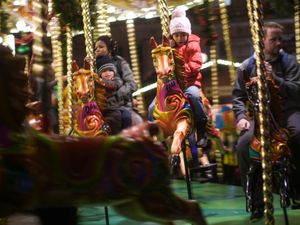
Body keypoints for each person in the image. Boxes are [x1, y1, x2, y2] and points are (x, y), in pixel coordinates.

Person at [232, 21, 300, 221]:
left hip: (287, 112)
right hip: (259, 113)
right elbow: (238, 97)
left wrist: (275, 79)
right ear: (261, 41)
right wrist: (241, 117)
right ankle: (255, 200)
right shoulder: (246, 67)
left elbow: (297, 90)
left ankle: (297, 190)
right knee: (243, 145)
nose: (279, 43)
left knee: (298, 134)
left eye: (281, 38)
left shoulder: (289, 62)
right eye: (274, 39)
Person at [148, 6, 208, 147]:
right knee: (152, 108)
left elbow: (196, 65)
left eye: (182, 34)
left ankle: (201, 127)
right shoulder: (168, 49)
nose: (180, 38)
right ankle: (153, 135)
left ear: (188, 34)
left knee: (194, 96)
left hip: (190, 83)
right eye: (176, 35)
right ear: (172, 36)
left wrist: (177, 71)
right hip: (170, 86)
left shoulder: (193, 46)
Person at [92, 35, 143, 128]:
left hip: (121, 105)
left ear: (110, 49)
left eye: (101, 47)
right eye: (96, 48)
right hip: (102, 106)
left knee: (124, 118)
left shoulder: (119, 63)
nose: (97, 50)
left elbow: (132, 84)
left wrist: (117, 94)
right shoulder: (93, 66)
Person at [95, 55, 123, 134]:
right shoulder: (97, 83)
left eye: (110, 70)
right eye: (104, 71)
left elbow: (111, 85)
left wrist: (99, 81)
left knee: (115, 118)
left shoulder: (116, 82)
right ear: (100, 74)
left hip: (112, 109)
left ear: (114, 72)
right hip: (100, 110)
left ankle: (116, 137)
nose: (107, 73)